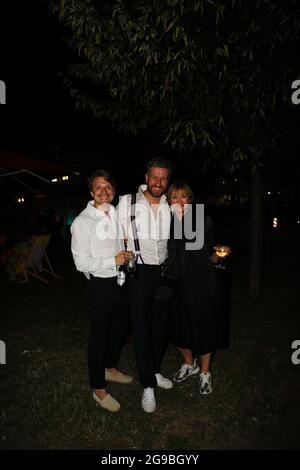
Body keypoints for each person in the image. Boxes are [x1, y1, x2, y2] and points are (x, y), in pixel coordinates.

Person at [70, 170, 134, 412]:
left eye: (108, 187)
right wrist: (114, 259)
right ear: (91, 192)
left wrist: (125, 248)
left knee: (119, 329)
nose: (104, 191)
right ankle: (98, 388)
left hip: (121, 280)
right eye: (99, 187)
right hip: (100, 285)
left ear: (114, 191)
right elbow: (81, 263)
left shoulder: (116, 213)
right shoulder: (82, 222)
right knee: (99, 336)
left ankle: (109, 368)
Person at [117, 157, 173, 413]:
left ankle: (154, 370)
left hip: (163, 273)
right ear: (146, 177)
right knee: (141, 329)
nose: (158, 182)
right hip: (138, 273)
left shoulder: (171, 204)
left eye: (163, 177)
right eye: (154, 177)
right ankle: (147, 385)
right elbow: (116, 235)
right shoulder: (127, 202)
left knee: (160, 329)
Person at [167, 181, 224, 395]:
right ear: (169, 201)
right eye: (174, 197)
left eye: (184, 197)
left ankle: (205, 372)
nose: (180, 201)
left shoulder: (202, 221)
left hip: (201, 283)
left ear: (190, 200)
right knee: (178, 326)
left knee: (204, 325)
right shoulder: (165, 224)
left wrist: (219, 255)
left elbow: (212, 256)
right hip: (176, 284)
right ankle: (190, 364)